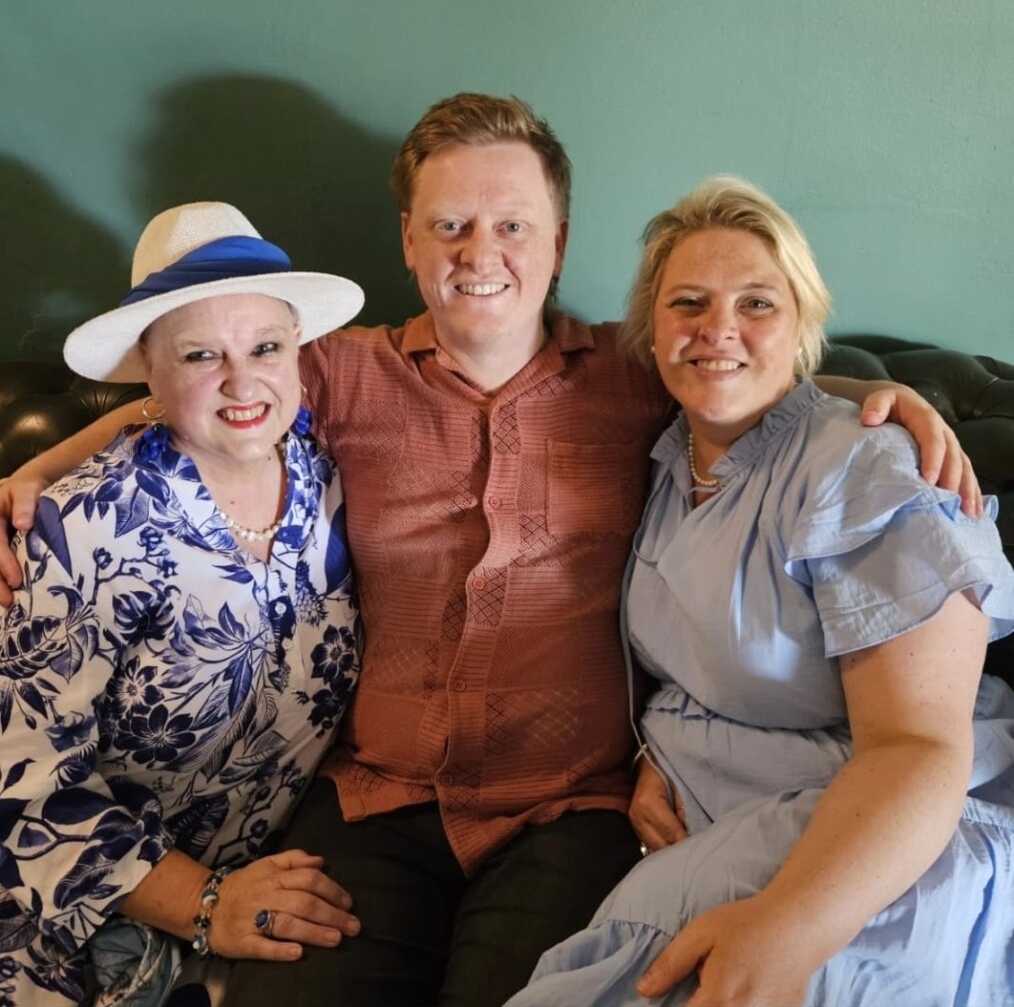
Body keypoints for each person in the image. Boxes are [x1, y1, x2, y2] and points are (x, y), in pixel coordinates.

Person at [0, 96, 983, 1007]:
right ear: (409, 241)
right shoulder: (340, 373)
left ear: (557, 243)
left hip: (570, 810)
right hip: (377, 797)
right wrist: (36, 473)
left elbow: (746, 377)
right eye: (450, 225)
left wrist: (892, 404)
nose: (482, 252)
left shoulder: (635, 375)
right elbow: (194, 386)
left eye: (513, 224)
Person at [505, 176, 1014, 1007]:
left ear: (805, 324)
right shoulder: (671, 462)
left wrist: (788, 928)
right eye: (690, 304)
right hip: (731, 821)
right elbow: (696, 652)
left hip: (881, 845)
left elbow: (921, 750)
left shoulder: (866, 469)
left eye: (757, 304)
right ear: (652, 330)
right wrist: (661, 752)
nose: (719, 330)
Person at [0, 201, 365, 1007]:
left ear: (297, 353)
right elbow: (16, 794)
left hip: (263, 893)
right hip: (69, 925)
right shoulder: (82, 534)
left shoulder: (325, 474)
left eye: (266, 346)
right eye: (202, 354)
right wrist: (207, 904)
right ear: (151, 371)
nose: (243, 380)